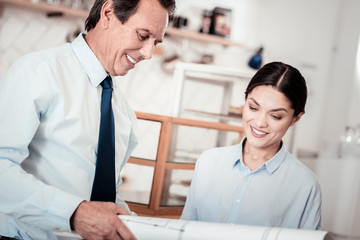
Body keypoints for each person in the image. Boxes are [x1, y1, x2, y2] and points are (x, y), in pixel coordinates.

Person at [0, 0, 175, 239]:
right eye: (143, 35)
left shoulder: (123, 114)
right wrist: (75, 213)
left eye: (156, 42)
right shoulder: (37, 72)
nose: (148, 53)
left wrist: (134, 227)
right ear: (108, 14)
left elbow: (105, 193)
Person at [181, 61, 321, 230]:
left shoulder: (305, 185)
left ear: (296, 118)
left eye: (276, 116)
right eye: (253, 108)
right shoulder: (208, 162)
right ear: (245, 101)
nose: (260, 123)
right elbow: (184, 230)